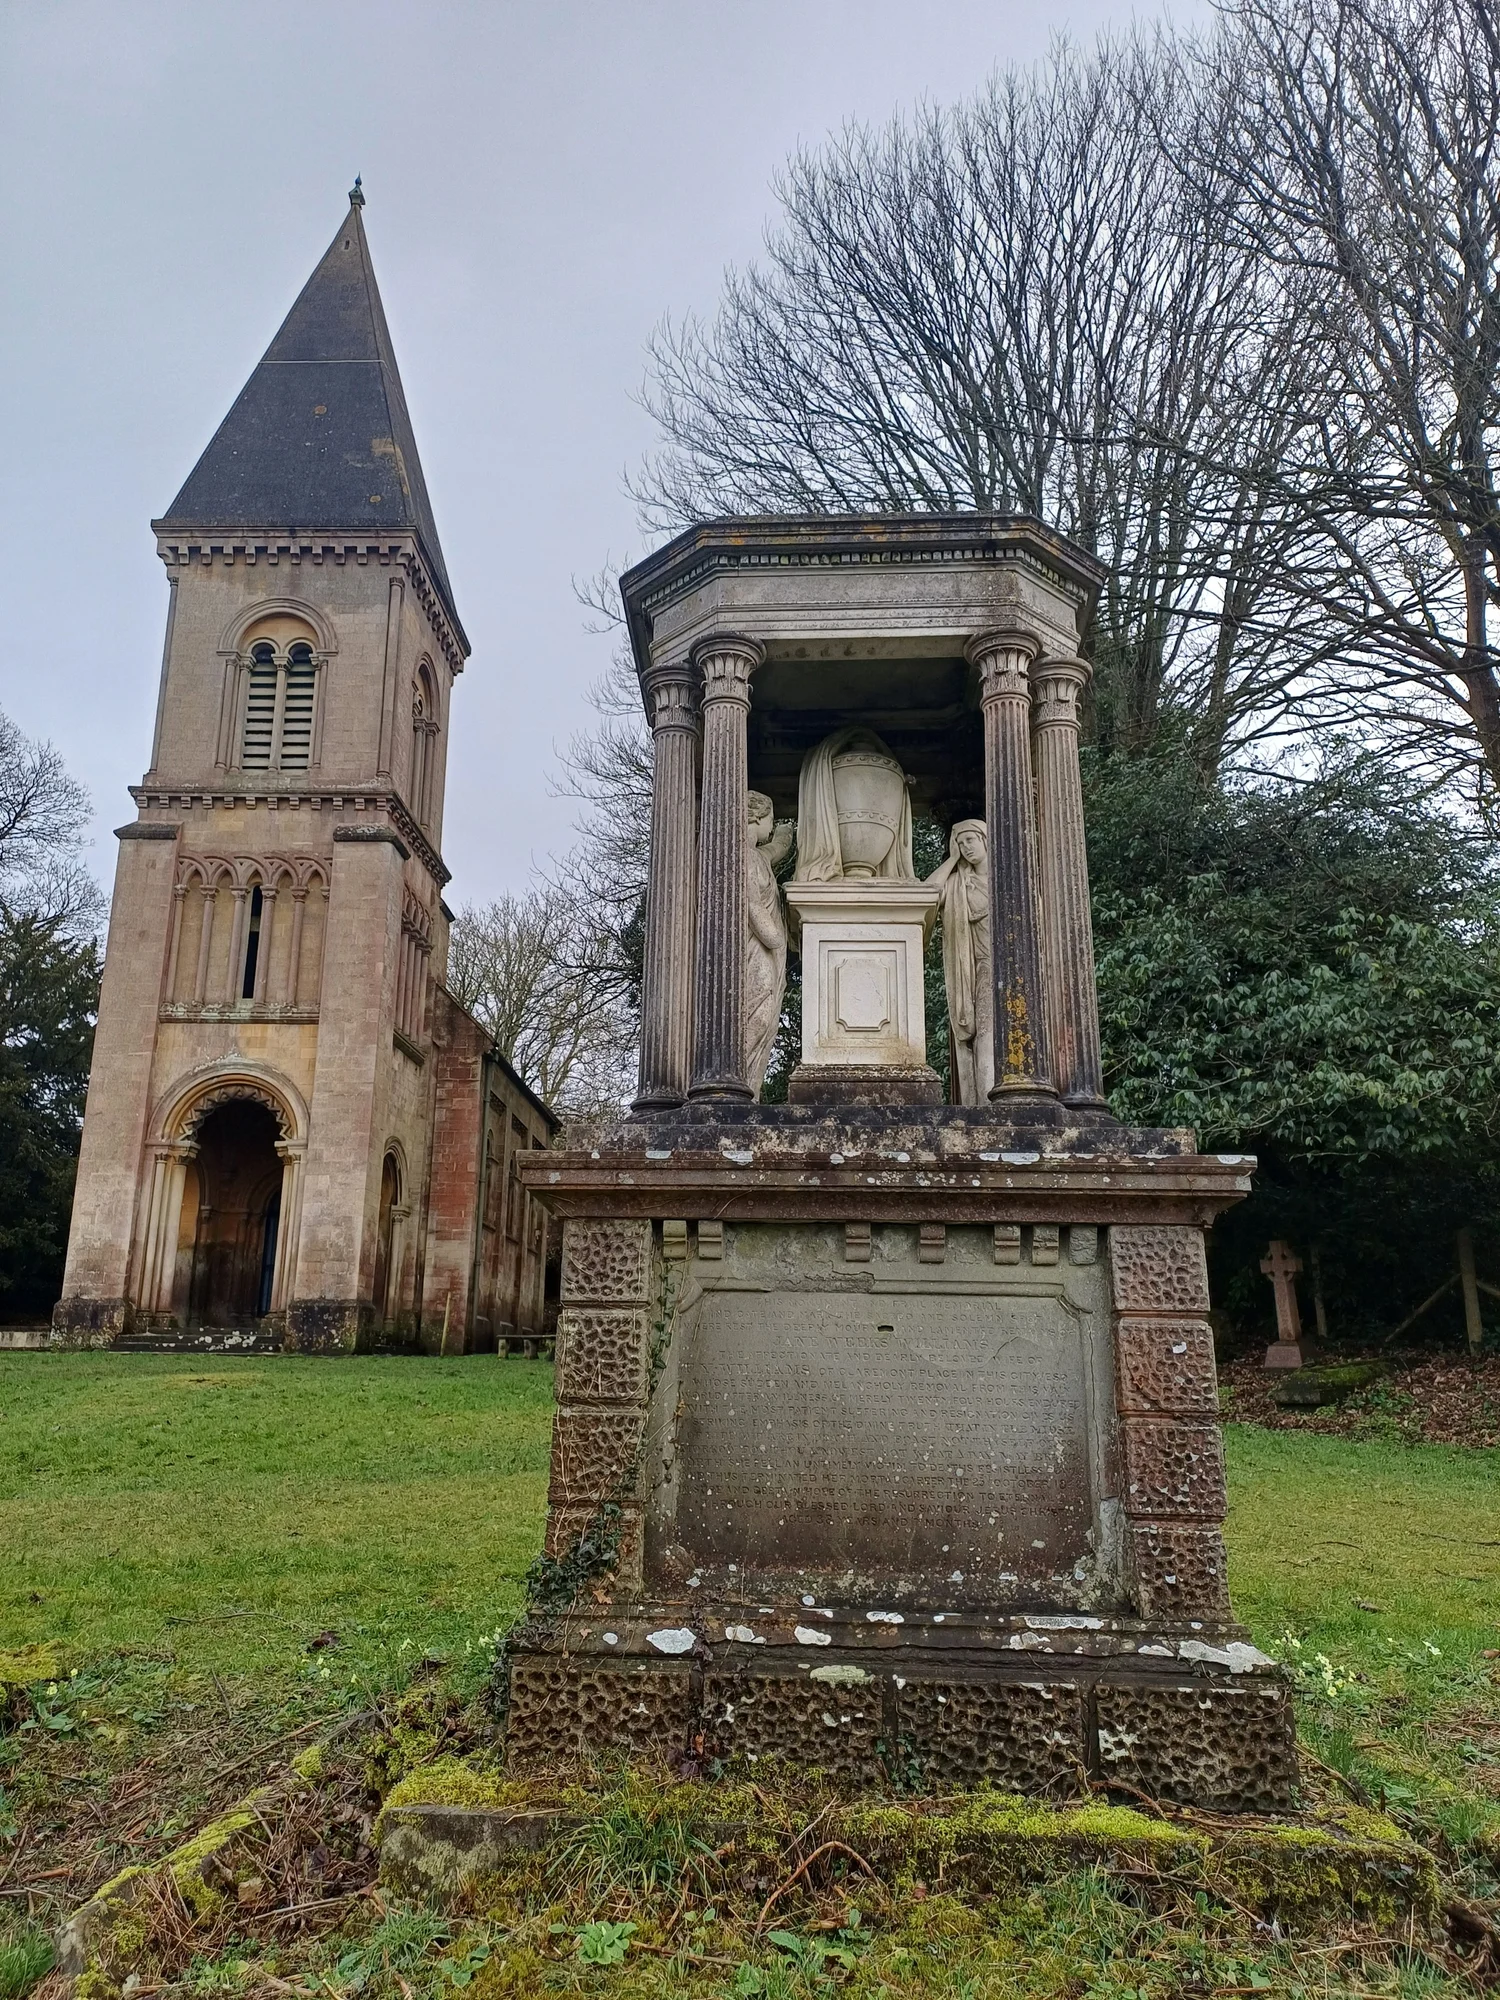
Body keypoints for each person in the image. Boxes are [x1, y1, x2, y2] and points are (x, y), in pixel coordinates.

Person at [927, 819, 993, 1104]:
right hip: (977, 968)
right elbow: (927, 893)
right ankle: (984, 1106)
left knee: (990, 1038)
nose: (967, 847)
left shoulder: (1007, 880)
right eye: (960, 842)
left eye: (971, 840)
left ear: (985, 841)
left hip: (1005, 968)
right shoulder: (958, 883)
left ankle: (989, 1105)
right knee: (981, 1036)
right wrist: (952, 859)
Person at [745, 791, 795, 1093]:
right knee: (757, 1018)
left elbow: (779, 847)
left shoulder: (759, 856)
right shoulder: (743, 856)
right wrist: (777, 940)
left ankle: (750, 1088)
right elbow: (751, 904)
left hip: (766, 953)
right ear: (756, 817)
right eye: (772, 820)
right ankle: (741, 1086)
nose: (772, 826)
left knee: (766, 1019)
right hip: (754, 950)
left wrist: (790, 831)